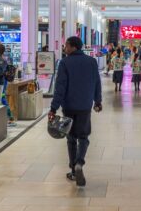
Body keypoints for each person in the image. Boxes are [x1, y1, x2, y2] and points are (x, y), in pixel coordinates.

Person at [48, 36, 102, 187]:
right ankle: (79, 163)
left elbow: (60, 87)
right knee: (83, 137)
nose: (65, 48)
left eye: (66, 46)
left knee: (71, 138)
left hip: (69, 106)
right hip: (85, 106)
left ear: (73, 47)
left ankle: (73, 170)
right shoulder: (92, 62)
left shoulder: (65, 63)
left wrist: (53, 108)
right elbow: (97, 83)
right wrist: (97, 101)